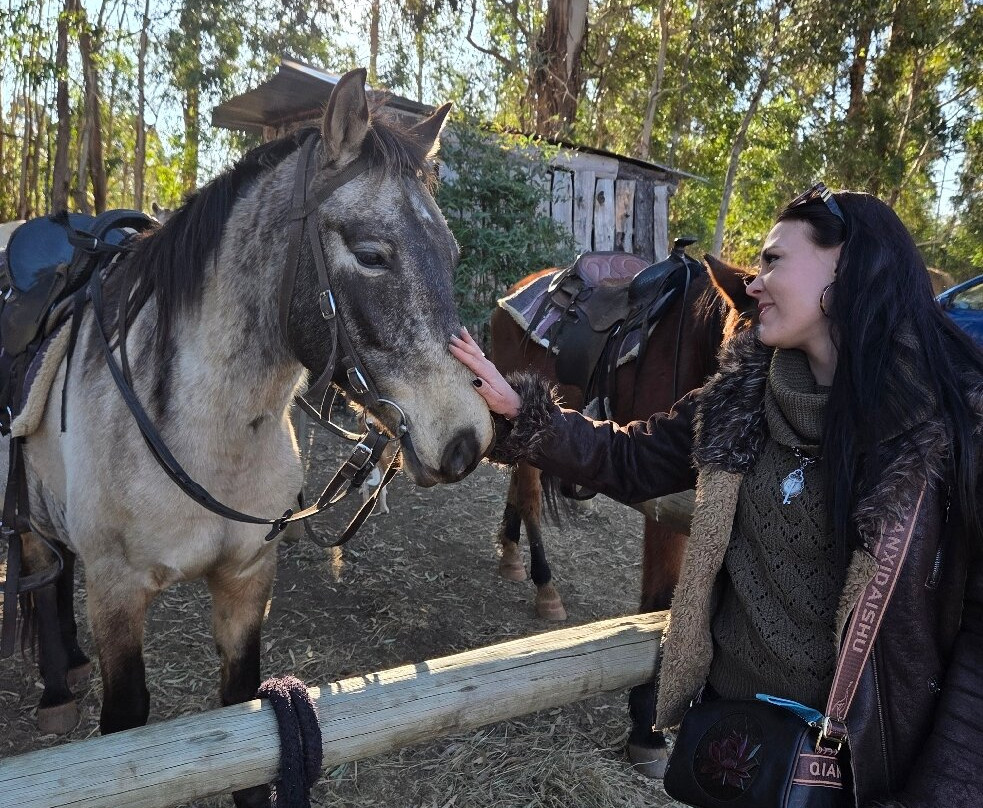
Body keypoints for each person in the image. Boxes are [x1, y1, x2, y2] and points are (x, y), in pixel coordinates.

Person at [449, 186, 983, 807]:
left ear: (850, 264)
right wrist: (521, 411)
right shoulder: (742, 395)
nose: (753, 283)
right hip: (732, 748)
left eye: (774, 261)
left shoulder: (949, 431)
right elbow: (632, 458)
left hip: (859, 770)